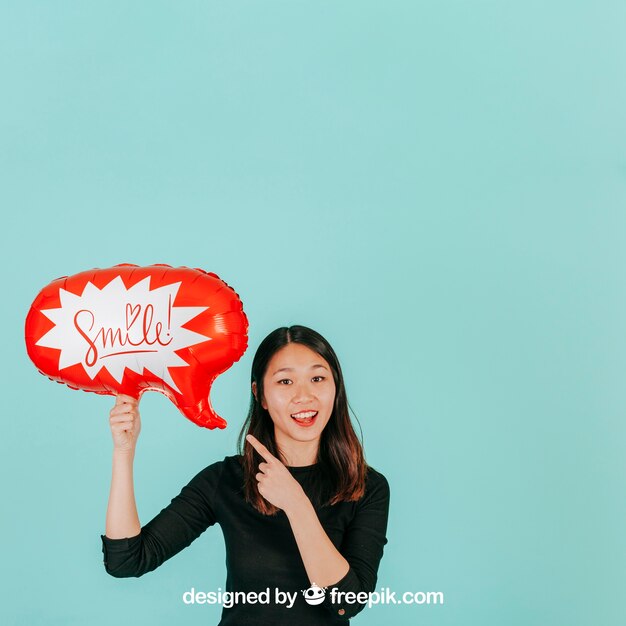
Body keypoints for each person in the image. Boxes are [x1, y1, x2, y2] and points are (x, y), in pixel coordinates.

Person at [101, 325, 390, 625]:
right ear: (260, 395)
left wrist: (296, 504)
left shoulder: (366, 488)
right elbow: (126, 560)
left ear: (336, 388)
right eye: (285, 381)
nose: (304, 396)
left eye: (317, 378)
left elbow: (346, 603)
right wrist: (124, 452)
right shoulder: (226, 479)